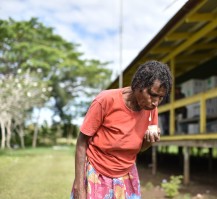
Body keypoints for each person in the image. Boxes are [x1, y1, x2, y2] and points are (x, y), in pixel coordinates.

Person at [70, 60, 172, 199]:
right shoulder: (106, 100)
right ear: (139, 85)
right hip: (98, 172)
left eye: (160, 97)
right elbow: (82, 143)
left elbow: (139, 148)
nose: (155, 102)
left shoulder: (151, 109)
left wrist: (149, 142)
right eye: (152, 95)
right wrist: (79, 185)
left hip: (127, 175)